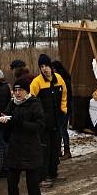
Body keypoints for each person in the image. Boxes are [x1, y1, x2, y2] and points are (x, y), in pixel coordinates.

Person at [0, 77, 45, 195]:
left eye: (21, 90)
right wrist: (4, 122)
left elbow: (39, 126)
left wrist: (21, 123)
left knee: (32, 184)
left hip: (31, 148)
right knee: (11, 184)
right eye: (16, 90)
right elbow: (6, 117)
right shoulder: (12, 104)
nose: (18, 93)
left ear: (27, 91)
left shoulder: (34, 104)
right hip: (15, 149)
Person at [30, 54, 67, 186]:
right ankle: (43, 176)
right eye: (41, 66)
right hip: (43, 123)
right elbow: (31, 101)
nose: (44, 69)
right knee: (44, 150)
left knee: (55, 149)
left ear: (50, 66)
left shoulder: (59, 79)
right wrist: (37, 117)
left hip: (57, 120)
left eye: (46, 65)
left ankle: (53, 173)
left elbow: (64, 95)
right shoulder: (36, 82)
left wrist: (64, 109)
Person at [51, 60, 73, 159]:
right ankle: (59, 150)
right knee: (60, 130)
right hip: (61, 108)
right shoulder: (59, 79)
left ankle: (67, 151)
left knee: (62, 129)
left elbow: (66, 96)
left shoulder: (63, 81)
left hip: (64, 108)